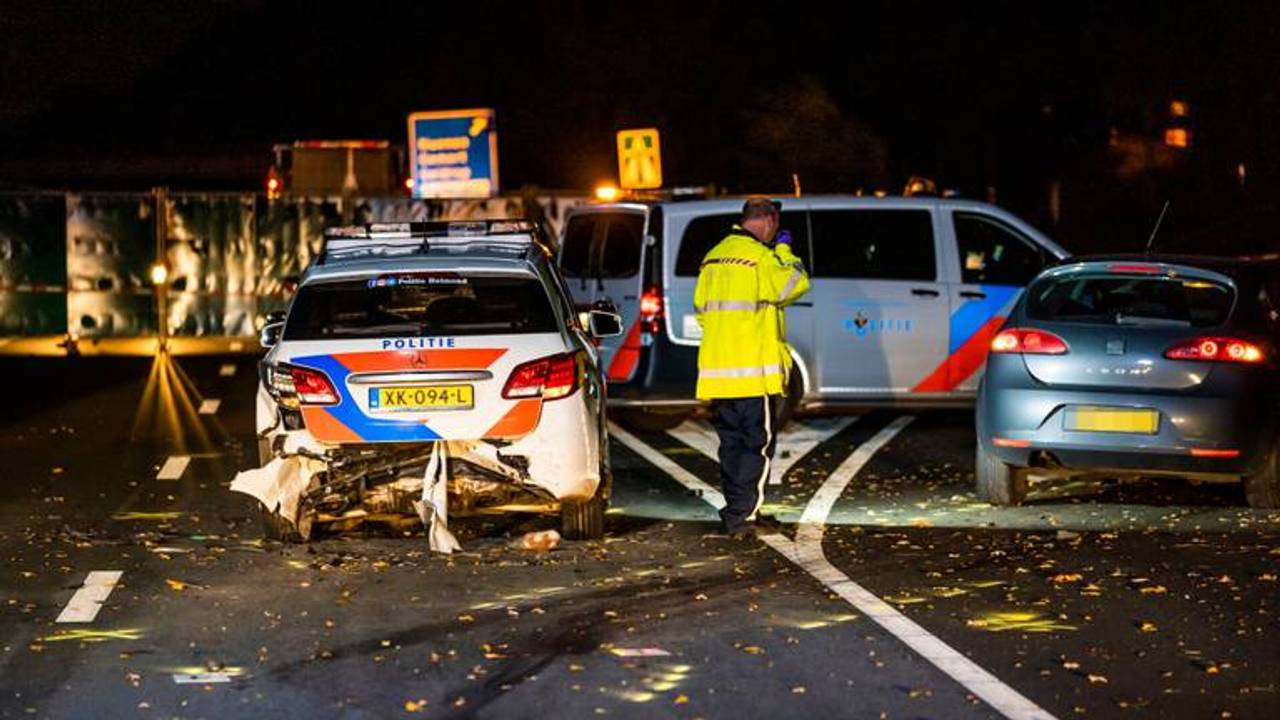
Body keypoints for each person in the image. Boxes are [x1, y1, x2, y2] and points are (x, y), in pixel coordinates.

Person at [693, 196, 811, 538]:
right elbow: (796, 283)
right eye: (775, 226)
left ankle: (739, 510)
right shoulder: (761, 257)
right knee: (756, 445)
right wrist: (785, 250)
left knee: (731, 447)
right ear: (769, 221)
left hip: (719, 374)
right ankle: (742, 517)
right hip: (753, 374)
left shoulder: (713, 256)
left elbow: (702, 312)